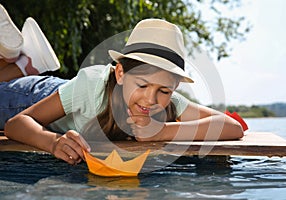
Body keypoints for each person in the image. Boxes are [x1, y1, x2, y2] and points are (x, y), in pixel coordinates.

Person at [1, 5, 244, 165]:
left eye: (164, 90)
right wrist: (52, 142)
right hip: (31, 96)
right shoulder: (90, 85)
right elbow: (16, 124)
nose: (151, 99)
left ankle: (24, 62)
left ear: (174, 88)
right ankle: (21, 64)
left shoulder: (169, 102)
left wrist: (163, 131)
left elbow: (232, 127)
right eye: (142, 85)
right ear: (120, 74)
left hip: (65, 92)